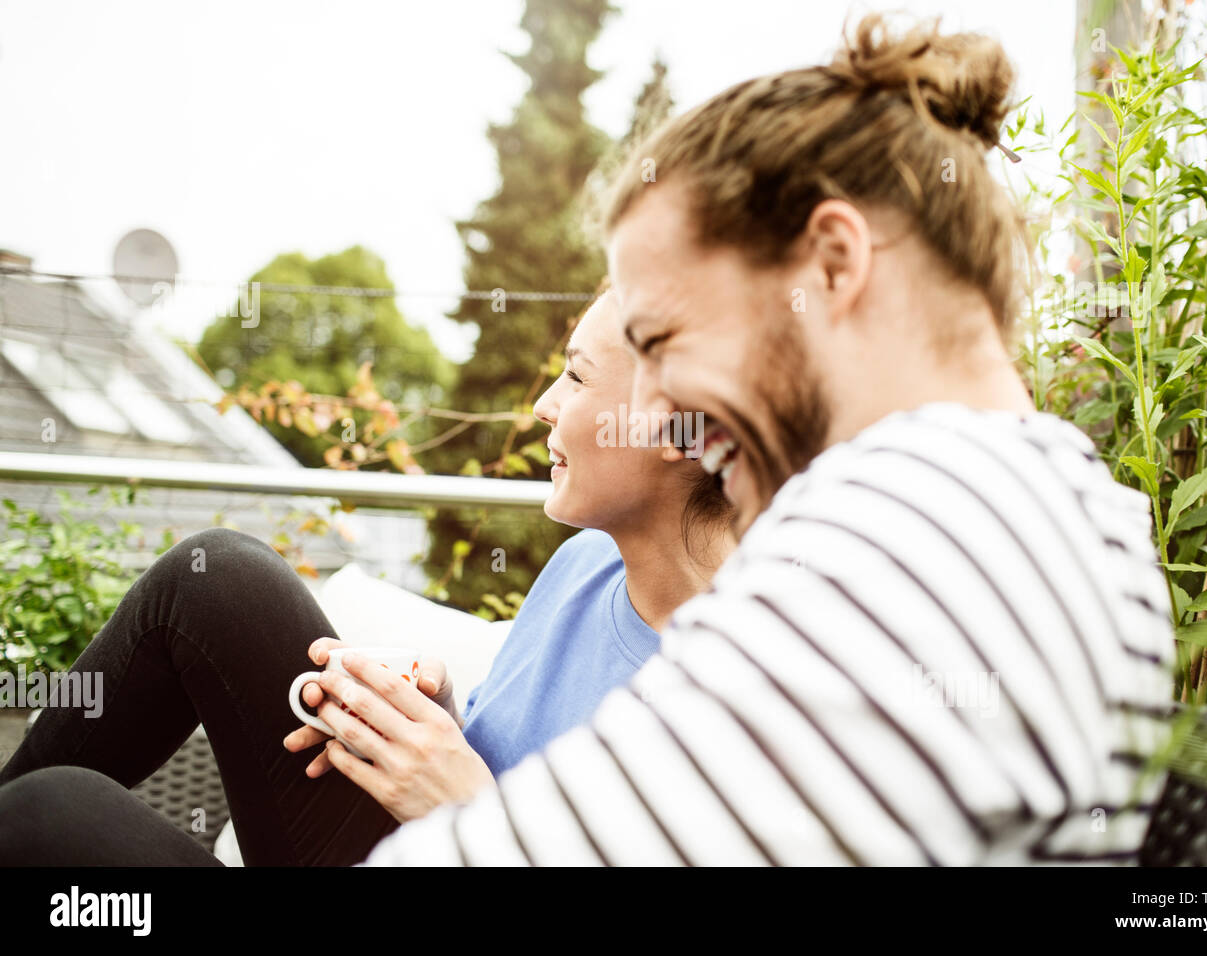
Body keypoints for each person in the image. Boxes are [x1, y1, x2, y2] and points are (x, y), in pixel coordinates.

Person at [358, 13, 1177, 865]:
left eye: (666, 339)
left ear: (832, 265)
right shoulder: (1068, 510)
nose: (654, 400)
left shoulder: (911, 535)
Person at [0, 291, 733, 865]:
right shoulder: (591, 561)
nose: (545, 404)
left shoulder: (741, 688)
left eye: (576, 376)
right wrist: (427, 715)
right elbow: (516, 738)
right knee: (218, 580)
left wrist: (475, 809)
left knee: (54, 815)